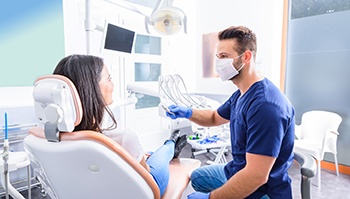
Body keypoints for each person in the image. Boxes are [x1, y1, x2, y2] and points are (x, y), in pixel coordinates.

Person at [166, 26, 295, 199]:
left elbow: (256, 176)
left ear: (246, 57)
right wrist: (187, 112)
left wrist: (211, 198)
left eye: (224, 56)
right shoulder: (240, 94)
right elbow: (213, 117)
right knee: (198, 178)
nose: (219, 63)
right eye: (218, 57)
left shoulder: (266, 106)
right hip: (238, 168)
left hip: (263, 190)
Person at [52, 54, 187, 197]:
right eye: (109, 79)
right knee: (163, 155)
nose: (113, 84)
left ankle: (154, 151)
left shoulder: (52, 137)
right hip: (145, 188)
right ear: (92, 88)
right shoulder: (123, 138)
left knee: (149, 154)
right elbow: (146, 176)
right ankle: (171, 143)